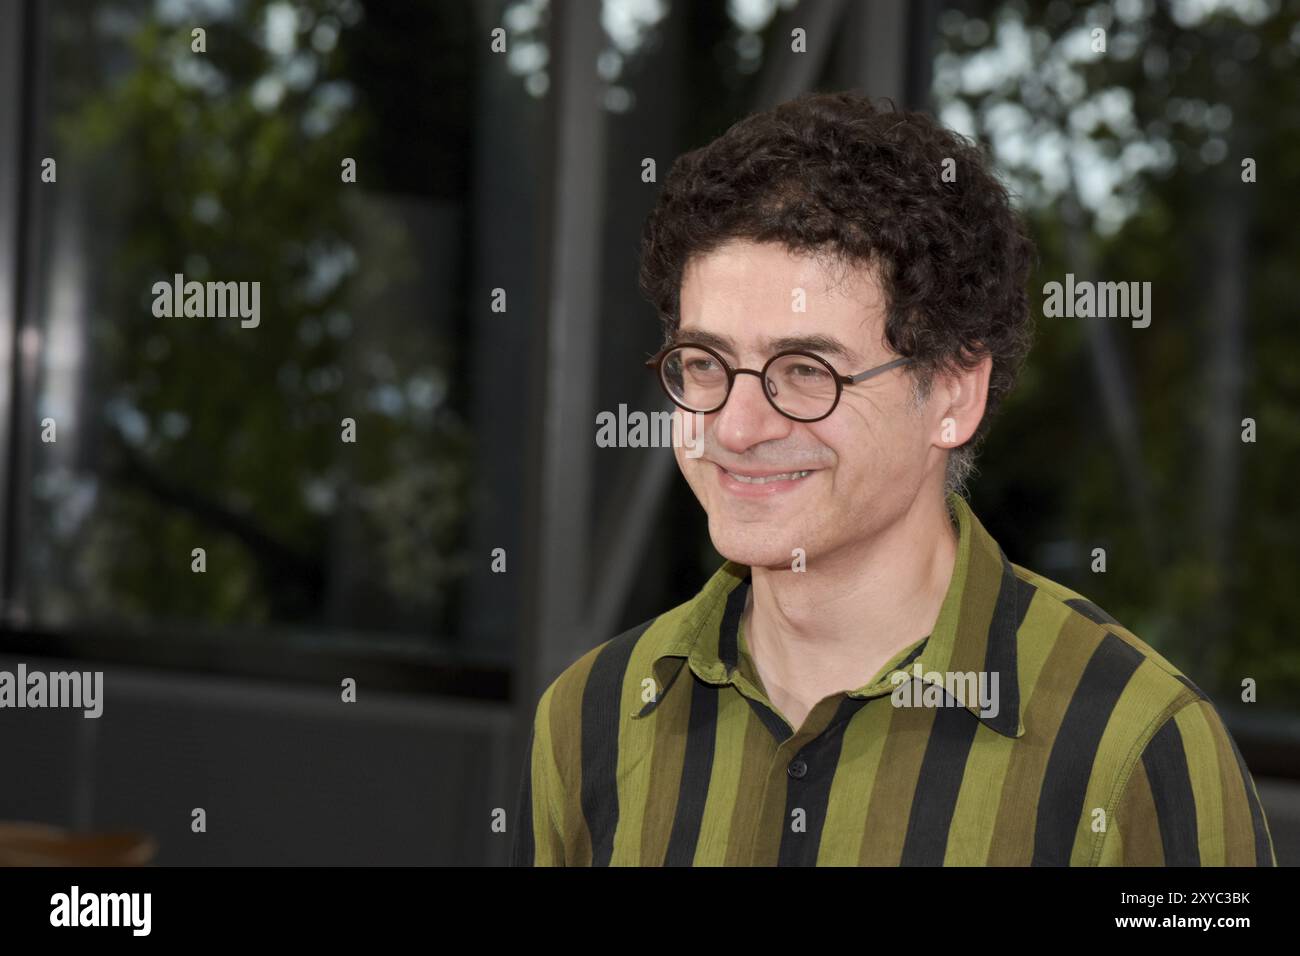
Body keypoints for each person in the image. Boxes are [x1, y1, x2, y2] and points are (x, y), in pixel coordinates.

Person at [510, 90, 1276, 866]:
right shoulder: (592, 718)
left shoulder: (1130, 748)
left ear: (952, 394)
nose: (736, 427)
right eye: (706, 364)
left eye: (805, 372)